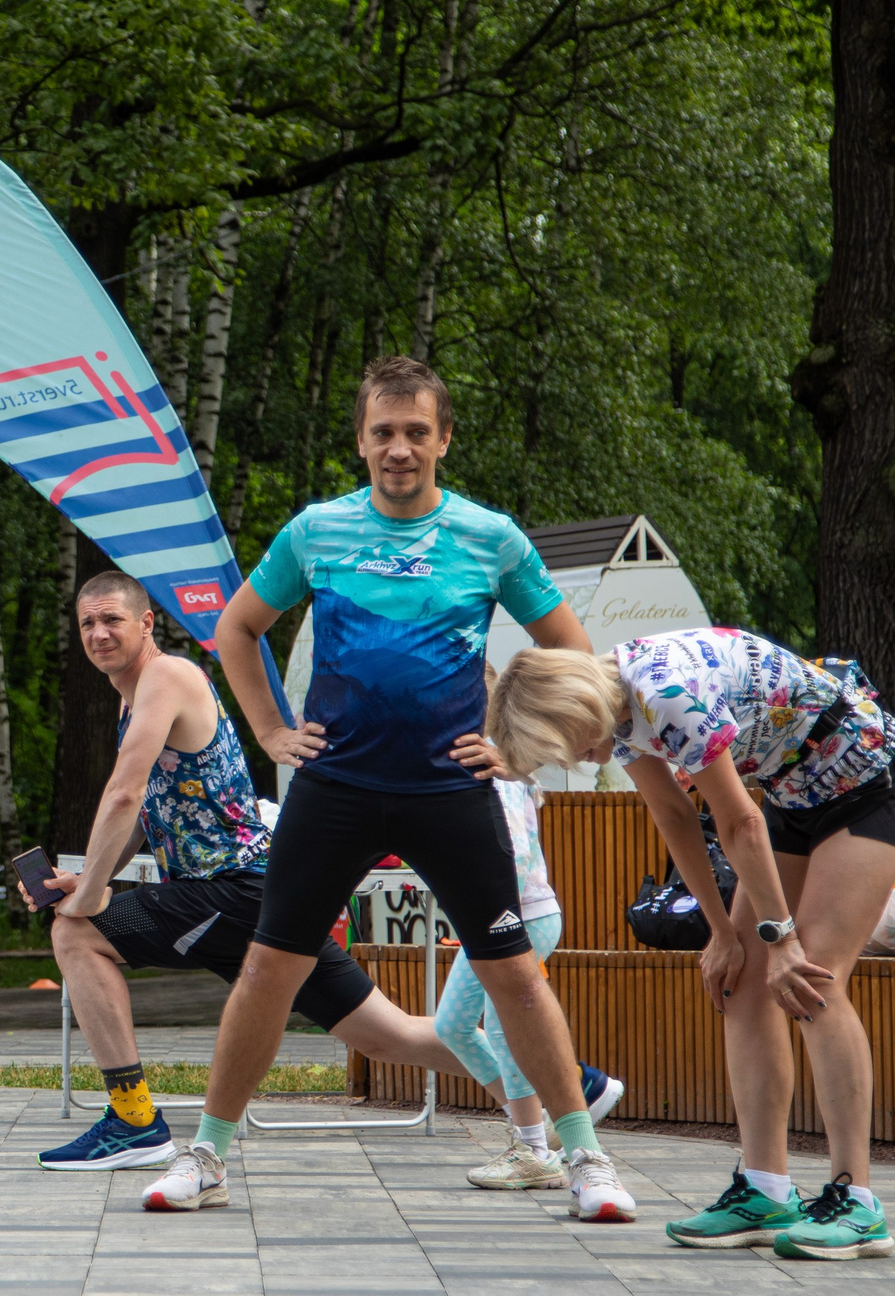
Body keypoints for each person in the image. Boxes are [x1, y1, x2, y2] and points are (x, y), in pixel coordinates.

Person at [191, 356, 634, 1221]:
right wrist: (272, 733)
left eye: (416, 432)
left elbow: (574, 653)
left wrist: (514, 749)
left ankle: (586, 1161)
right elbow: (236, 629)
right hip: (335, 787)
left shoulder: (490, 537)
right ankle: (206, 1155)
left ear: (444, 439)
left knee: (514, 976)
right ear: (361, 440)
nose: (400, 448)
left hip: (449, 792)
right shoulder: (317, 531)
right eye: (384, 432)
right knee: (269, 967)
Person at [31, 573, 621, 1188]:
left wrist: (90, 897)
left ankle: (134, 1122)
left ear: (146, 623)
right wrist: (88, 880)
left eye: (112, 620)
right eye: (88, 623)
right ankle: (573, 1085)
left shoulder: (167, 677)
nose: (99, 634)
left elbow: (124, 792)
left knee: (76, 935)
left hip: (231, 889)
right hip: (250, 892)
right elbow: (146, 809)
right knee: (389, 1037)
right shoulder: (133, 698)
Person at [488, 630, 895, 1258]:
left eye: (572, 746)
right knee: (740, 980)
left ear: (578, 709)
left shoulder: (663, 694)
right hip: (796, 792)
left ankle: (857, 1202)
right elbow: (676, 816)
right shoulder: (620, 708)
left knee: (811, 976)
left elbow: (740, 822)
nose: (582, 761)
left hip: (866, 782)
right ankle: (765, 1189)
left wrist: (780, 939)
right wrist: (724, 935)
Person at [449, 700, 627, 1189]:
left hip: (518, 916)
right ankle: (560, 1104)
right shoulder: (485, 759)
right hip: (506, 916)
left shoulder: (493, 762)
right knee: (453, 1026)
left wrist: (493, 911)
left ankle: (532, 1145)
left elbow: (514, 851)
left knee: (504, 1026)